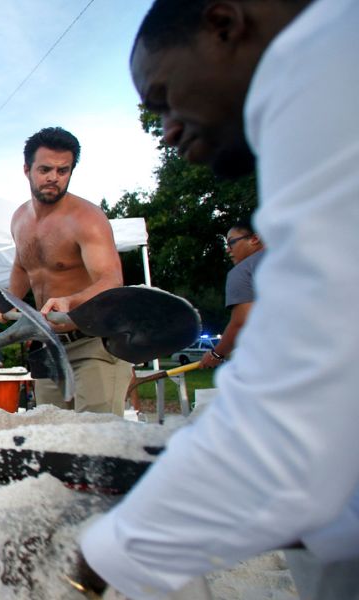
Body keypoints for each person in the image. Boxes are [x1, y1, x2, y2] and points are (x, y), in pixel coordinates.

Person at [77, 1, 359, 597]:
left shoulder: (317, 67)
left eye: (164, 98)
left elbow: (289, 422)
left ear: (224, 25)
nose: (168, 128)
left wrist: (101, 563)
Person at [0, 127, 132, 415]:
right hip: (49, 346)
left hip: (93, 344)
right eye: (45, 169)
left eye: (63, 170)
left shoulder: (87, 219)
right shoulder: (19, 219)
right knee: (52, 439)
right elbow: (23, 265)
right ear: (26, 170)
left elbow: (111, 280)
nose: (53, 177)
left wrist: (71, 301)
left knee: (96, 442)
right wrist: (10, 299)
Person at [200, 220, 264, 368]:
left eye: (231, 243)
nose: (228, 249)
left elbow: (241, 322)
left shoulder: (243, 271)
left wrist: (216, 354)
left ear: (255, 239)